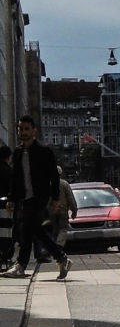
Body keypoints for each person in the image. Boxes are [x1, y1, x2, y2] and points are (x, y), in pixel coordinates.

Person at [3, 116, 71, 280]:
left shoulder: (43, 151)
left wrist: (55, 199)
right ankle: (62, 258)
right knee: (34, 230)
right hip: (24, 198)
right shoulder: (18, 152)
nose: (23, 132)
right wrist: (12, 198)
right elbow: (16, 178)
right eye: (20, 129)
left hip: (40, 197)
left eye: (27, 129)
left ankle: (21, 265)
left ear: (34, 130)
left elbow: (54, 177)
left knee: (27, 227)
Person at [48, 166, 77, 251]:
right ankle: (59, 245)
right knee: (63, 228)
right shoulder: (64, 184)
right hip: (62, 210)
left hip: (51, 210)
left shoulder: (48, 184)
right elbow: (70, 198)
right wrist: (74, 210)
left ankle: (51, 247)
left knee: (53, 230)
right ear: (61, 174)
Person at [0, 146, 13, 269]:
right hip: (5, 204)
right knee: (6, 232)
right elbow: (11, 187)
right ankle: (6, 256)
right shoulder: (8, 170)